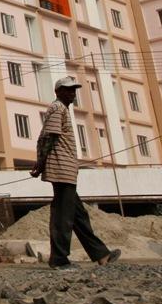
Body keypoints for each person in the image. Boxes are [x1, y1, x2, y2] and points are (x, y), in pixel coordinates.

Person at [31, 76, 121, 270]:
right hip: (61, 170)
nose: (72, 93)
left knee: (79, 216)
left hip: (67, 170)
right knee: (63, 217)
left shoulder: (62, 109)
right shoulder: (57, 108)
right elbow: (48, 137)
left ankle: (101, 254)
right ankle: (59, 260)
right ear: (58, 92)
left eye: (74, 90)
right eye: (68, 90)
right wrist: (40, 163)